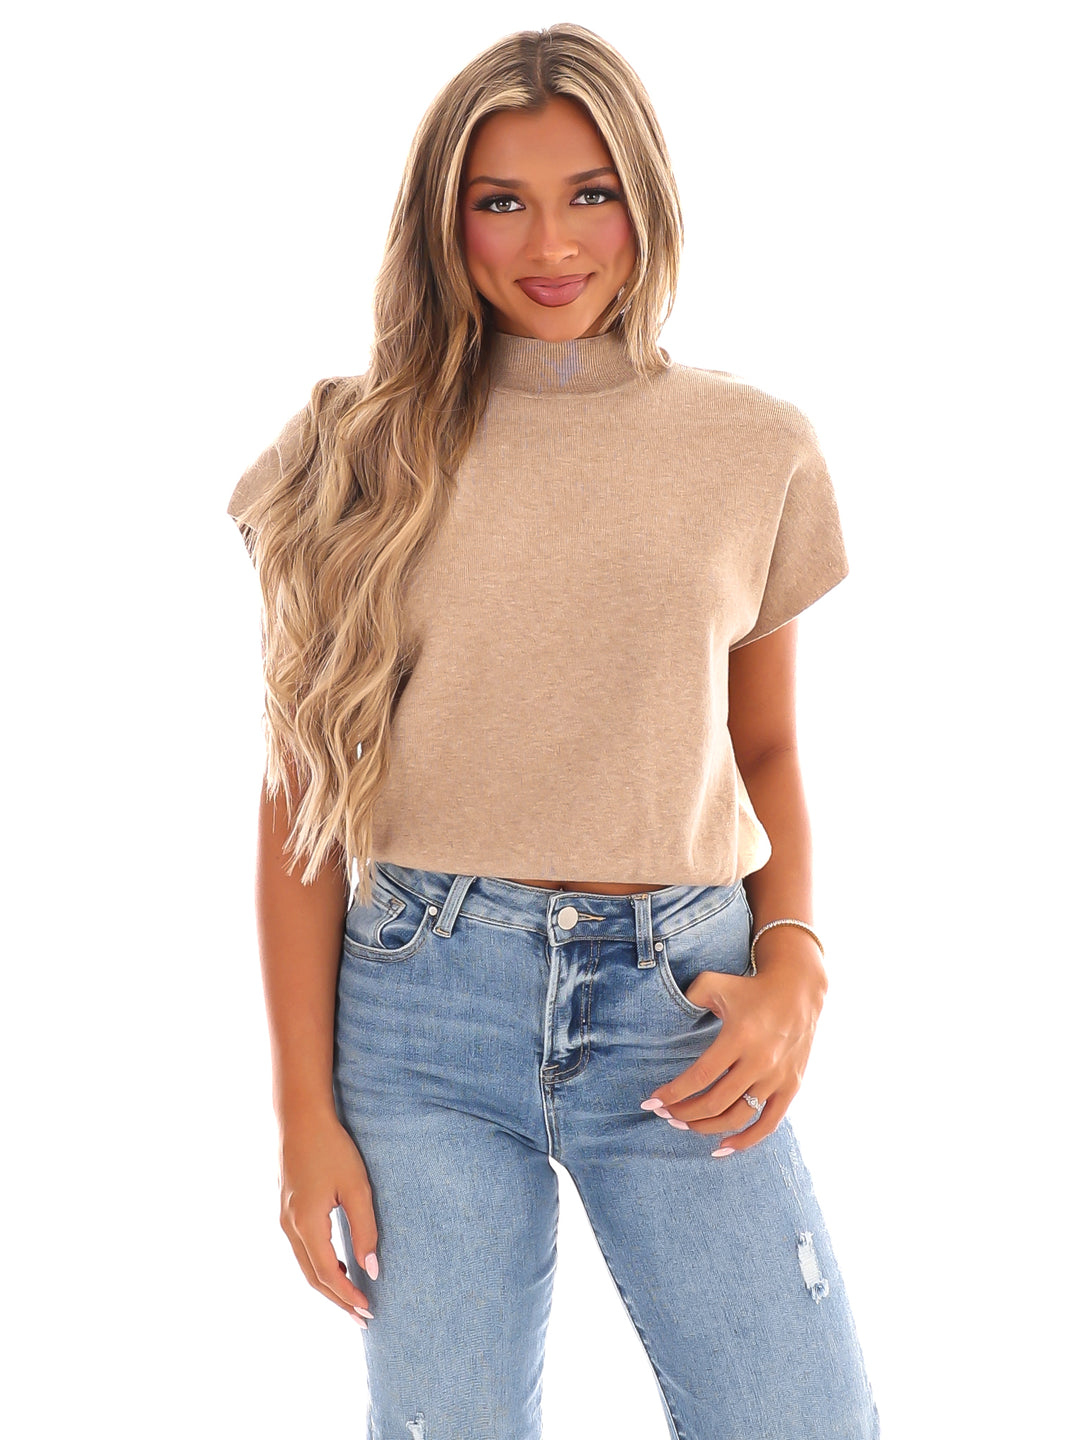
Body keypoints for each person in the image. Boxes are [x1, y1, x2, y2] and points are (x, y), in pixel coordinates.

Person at [226, 23, 880, 1440]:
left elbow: (765, 750)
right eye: (501, 201)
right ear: (445, 220)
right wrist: (301, 1119)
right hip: (420, 1015)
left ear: (645, 200)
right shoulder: (354, 448)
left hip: (682, 1005)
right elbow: (300, 799)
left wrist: (797, 965)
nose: (550, 243)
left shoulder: (754, 447)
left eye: (589, 192)